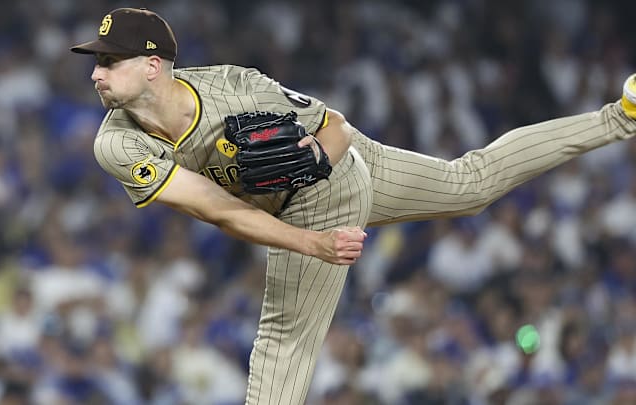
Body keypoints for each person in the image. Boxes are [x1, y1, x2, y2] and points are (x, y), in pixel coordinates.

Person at [70, 7, 636, 405]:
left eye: (110, 61)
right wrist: (309, 242)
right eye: (96, 60)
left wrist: (312, 165)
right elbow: (216, 209)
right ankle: (622, 115)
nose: (96, 72)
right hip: (300, 204)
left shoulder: (235, 87)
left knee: (282, 340)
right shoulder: (116, 142)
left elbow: (335, 127)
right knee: (470, 183)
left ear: (152, 65)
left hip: (330, 177)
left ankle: (616, 117)